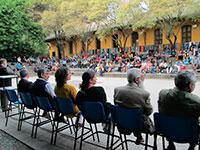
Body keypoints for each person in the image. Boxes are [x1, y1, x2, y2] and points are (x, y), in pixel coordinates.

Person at [158, 70, 200, 150]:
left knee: (169, 118)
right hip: (188, 135)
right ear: (190, 85)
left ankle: (170, 144)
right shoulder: (196, 101)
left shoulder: (162, 93)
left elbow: (161, 110)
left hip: (167, 131)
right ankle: (192, 146)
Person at [114, 68, 153, 144]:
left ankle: (139, 137)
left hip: (121, 122)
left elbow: (116, 105)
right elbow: (149, 111)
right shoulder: (144, 93)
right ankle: (139, 136)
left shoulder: (117, 90)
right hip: (138, 125)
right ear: (137, 79)